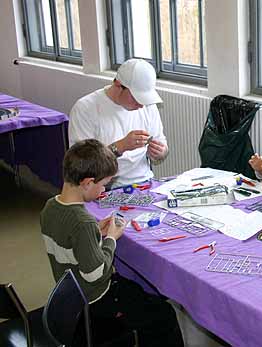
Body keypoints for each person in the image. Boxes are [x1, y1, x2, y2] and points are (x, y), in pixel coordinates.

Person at [40, 139, 183, 347]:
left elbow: (67, 242)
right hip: (96, 299)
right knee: (164, 313)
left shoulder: (50, 206)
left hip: (72, 295)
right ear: (87, 183)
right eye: (103, 185)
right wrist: (110, 239)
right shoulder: (83, 221)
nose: (103, 191)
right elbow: (96, 273)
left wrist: (95, 233)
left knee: (140, 292)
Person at [69, 58, 169, 188]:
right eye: (136, 97)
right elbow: (81, 166)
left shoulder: (147, 106)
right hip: (103, 187)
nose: (140, 104)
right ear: (117, 84)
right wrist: (120, 147)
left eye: (144, 99)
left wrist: (161, 152)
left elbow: (161, 144)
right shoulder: (86, 108)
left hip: (144, 182)